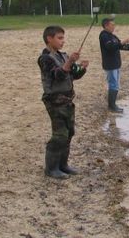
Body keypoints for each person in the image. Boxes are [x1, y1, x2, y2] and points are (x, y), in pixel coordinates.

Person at [37, 25, 89, 179]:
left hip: (67, 101)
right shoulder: (45, 59)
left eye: (63, 38)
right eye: (59, 38)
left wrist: (82, 68)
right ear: (49, 39)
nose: (63, 41)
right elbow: (58, 75)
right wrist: (70, 61)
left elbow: (73, 75)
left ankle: (63, 165)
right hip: (54, 102)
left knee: (69, 133)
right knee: (60, 135)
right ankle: (51, 168)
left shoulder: (64, 56)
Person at [99, 17, 129, 113]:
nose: (114, 27)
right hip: (110, 65)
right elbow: (110, 47)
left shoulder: (113, 36)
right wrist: (122, 42)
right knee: (113, 84)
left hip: (116, 64)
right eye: (112, 25)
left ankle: (113, 104)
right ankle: (111, 106)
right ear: (106, 25)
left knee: (116, 85)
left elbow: (124, 47)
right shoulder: (104, 36)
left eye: (114, 25)